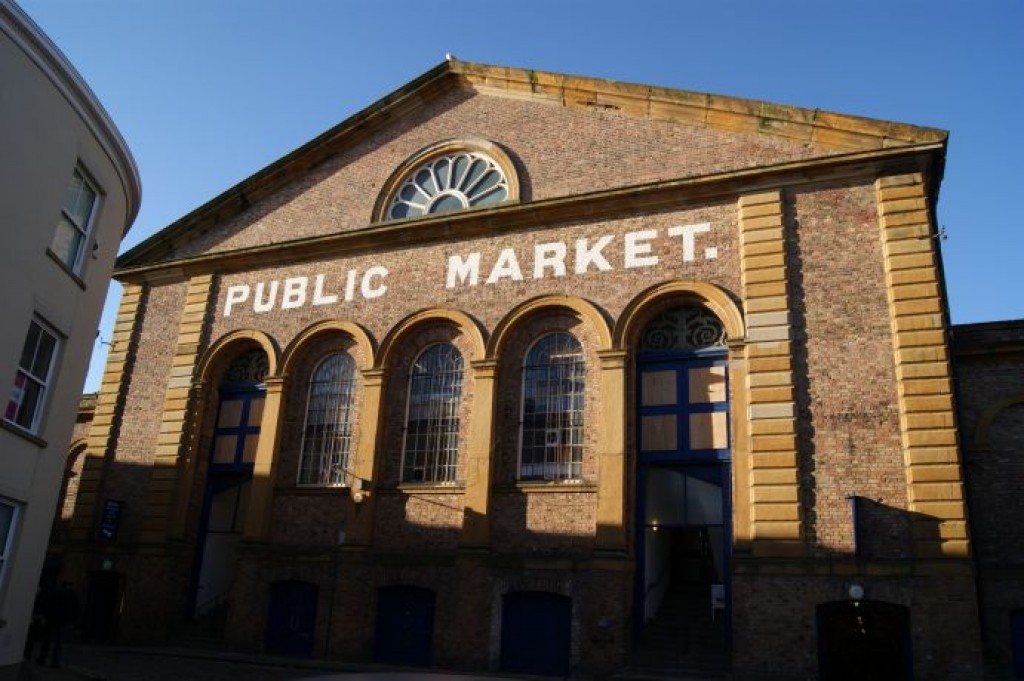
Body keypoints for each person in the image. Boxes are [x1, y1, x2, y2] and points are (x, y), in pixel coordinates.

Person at [37, 582, 78, 667]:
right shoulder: (72, 596)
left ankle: (42, 658)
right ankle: (56, 661)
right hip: (63, 621)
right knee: (59, 642)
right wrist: (73, 620)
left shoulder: (56, 593)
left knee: (48, 640)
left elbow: (50, 605)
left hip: (53, 620)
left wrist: (46, 616)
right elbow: (76, 609)